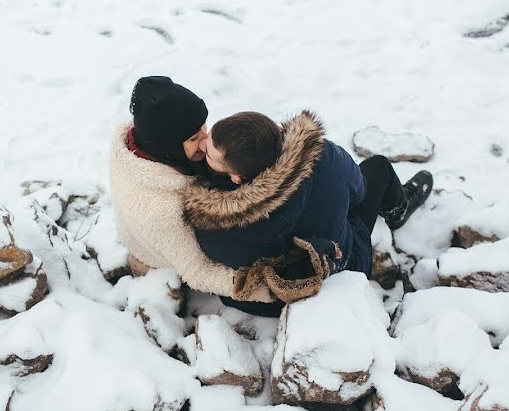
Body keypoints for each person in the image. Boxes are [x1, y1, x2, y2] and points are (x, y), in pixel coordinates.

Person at [182, 110, 432, 316]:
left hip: (271, 303)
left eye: (211, 150)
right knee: (377, 168)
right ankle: (397, 210)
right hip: (341, 266)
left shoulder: (212, 222)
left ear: (237, 177)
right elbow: (359, 193)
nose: (203, 144)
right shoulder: (324, 157)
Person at [109, 76, 276, 304]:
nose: (206, 141)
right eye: (193, 137)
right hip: (159, 246)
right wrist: (268, 289)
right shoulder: (158, 212)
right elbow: (199, 272)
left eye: (203, 127)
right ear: (168, 147)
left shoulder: (148, 138)